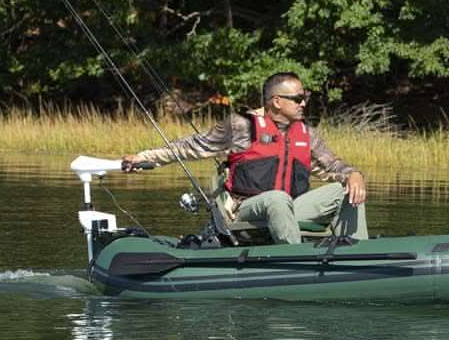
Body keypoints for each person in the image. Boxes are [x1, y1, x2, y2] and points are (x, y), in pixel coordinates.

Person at [121, 72, 367, 244]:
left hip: (291, 209)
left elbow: (332, 165)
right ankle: (298, 262)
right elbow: (189, 147)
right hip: (246, 211)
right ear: (277, 101)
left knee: (348, 188)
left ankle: (361, 255)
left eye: (305, 98)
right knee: (277, 199)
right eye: (298, 99)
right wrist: (144, 158)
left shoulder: (306, 134)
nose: (304, 103)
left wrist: (353, 174)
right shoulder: (242, 126)